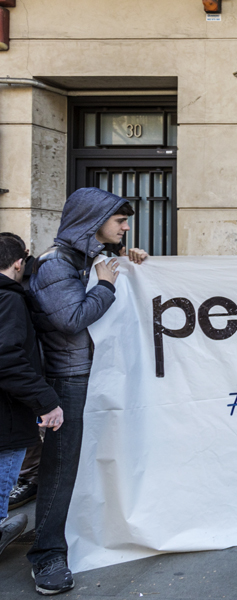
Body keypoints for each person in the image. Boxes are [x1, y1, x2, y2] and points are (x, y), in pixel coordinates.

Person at [27, 188, 148, 595]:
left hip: (98, 375)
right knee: (61, 469)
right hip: (70, 379)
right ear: (93, 221)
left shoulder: (86, 259)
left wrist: (132, 264)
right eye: (120, 221)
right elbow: (73, 319)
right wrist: (107, 285)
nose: (126, 227)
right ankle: (46, 555)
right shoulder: (55, 265)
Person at [0, 234, 62, 561]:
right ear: (18, 263)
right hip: (7, 418)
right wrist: (46, 401)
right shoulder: (8, 299)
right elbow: (7, 359)